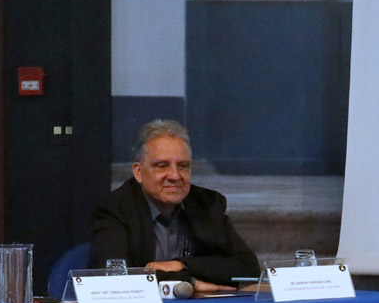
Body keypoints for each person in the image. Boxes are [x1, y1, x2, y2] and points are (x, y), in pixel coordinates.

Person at [88, 119, 259, 289]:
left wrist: (182, 265)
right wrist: (190, 284)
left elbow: (248, 267)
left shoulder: (208, 204)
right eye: (162, 166)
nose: (175, 176)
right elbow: (114, 277)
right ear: (138, 172)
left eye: (183, 166)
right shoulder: (115, 208)